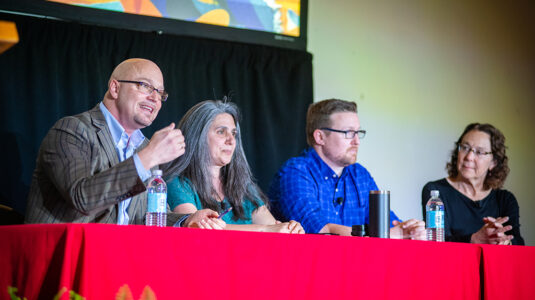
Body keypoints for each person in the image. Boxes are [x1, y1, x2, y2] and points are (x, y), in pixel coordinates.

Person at [25, 58, 222, 228]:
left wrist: (187, 219)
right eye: (145, 86)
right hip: (65, 256)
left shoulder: (144, 146)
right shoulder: (72, 130)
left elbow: (148, 216)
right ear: (115, 88)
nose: (155, 98)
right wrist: (149, 156)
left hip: (117, 256)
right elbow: (81, 198)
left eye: (160, 93)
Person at [269, 99, 425, 238]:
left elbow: (388, 224)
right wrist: (387, 234)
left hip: (357, 267)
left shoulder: (360, 175)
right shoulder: (295, 173)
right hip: (310, 268)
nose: (357, 141)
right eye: (349, 133)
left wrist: (410, 231)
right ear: (320, 137)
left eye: (358, 132)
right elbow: (320, 231)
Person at [167, 100, 304, 233]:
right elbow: (196, 229)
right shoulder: (178, 184)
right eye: (221, 132)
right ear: (197, 136)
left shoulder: (243, 187)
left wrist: (289, 229)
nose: (231, 140)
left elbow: (272, 226)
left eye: (233, 133)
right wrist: (265, 230)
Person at [422, 123, 524, 245]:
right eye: (465, 148)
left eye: (479, 152)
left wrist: (505, 241)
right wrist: (473, 239)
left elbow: (519, 243)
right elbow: (437, 242)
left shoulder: (505, 199)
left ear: (493, 162)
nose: (469, 157)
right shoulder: (435, 192)